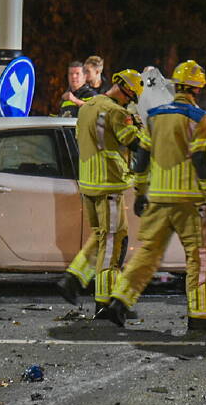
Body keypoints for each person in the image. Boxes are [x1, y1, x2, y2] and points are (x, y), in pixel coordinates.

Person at [104, 60, 206, 333]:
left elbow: (142, 156)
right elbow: (202, 163)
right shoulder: (200, 118)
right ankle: (201, 315)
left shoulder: (156, 116)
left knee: (147, 253)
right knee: (200, 257)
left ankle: (119, 302)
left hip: (158, 199)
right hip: (189, 202)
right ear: (197, 89)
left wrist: (140, 191)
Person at [57, 70, 149, 314]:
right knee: (112, 244)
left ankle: (75, 278)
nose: (130, 103)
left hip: (88, 183)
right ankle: (104, 302)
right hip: (108, 184)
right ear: (126, 90)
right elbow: (134, 143)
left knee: (104, 237)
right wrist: (144, 131)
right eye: (130, 98)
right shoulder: (117, 112)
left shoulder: (88, 106)